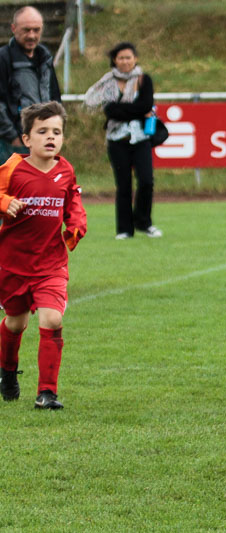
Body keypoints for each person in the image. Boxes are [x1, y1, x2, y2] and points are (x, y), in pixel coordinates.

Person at [0, 101, 86, 409]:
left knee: (52, 318)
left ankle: (47, 392)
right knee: (14, 323)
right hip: (12, 263)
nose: (51, 137)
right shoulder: (12, 168)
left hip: (51, 263)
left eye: (57, 132)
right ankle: (7, 372)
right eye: (42, 131)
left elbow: (73, 202)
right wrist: (4, 201)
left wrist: (76, 224)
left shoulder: (65, 171)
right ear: (26, 139)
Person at [83, 41, 161, 240]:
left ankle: (144, 222)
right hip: (116, 139)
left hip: (141, 137)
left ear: (135, 59)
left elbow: (146, 104)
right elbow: (109, 110)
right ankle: (125, 229)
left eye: (128, 57)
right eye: (121, 58)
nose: (125, 61)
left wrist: (124, 111)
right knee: (123, 184)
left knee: (146, 181)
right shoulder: (108, 83)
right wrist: (135, 111)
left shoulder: (144, 80)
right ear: (114, 60)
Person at [0, 6, 61, 162]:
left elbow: (55, 98)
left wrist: (55, 131)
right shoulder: (4, 58)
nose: (32, 35)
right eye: (26, 30)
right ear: (13, 28)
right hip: (13, 143)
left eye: (36, 30)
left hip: (43, 141)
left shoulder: (45, 58)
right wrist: (13, 137)